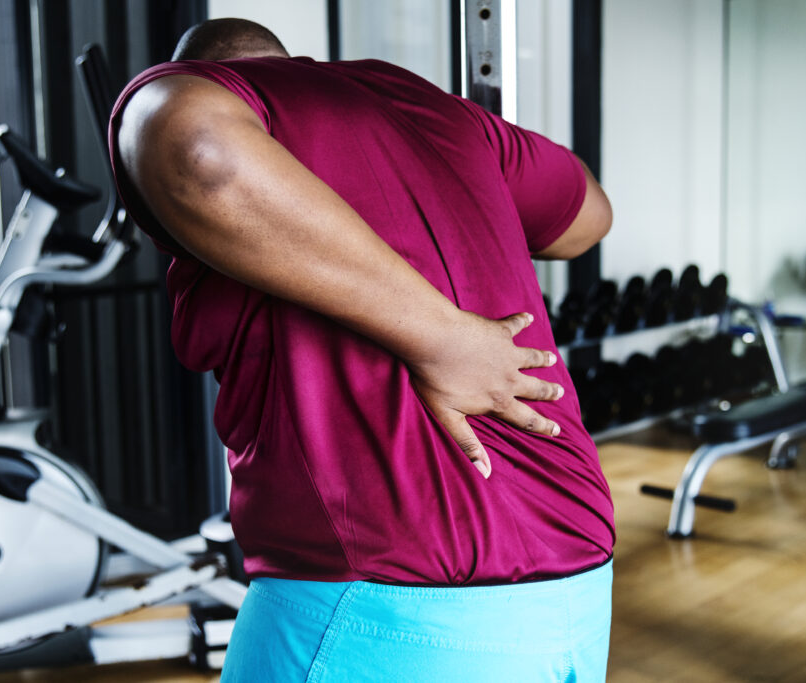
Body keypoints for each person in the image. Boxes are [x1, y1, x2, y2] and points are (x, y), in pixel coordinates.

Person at [110, 18, 614, 682]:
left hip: (392, 591)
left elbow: (197, 150)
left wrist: (441, 336)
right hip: (574, 576)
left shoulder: (199, 95)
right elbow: (589, 216)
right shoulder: (434, 109)